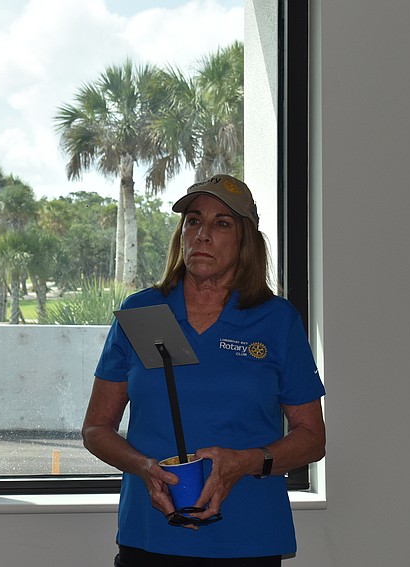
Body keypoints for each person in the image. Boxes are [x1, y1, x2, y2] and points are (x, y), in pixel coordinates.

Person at [83, 174, 325, 566]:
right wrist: (144, 468)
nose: (203, 234)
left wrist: (245, 463)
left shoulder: (277, 320)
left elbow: (312, 439)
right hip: (152, 534)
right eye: (193, 221)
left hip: (249, 538)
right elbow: (96, 429)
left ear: (246, 240)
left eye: (221, 223)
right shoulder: (143, 312)